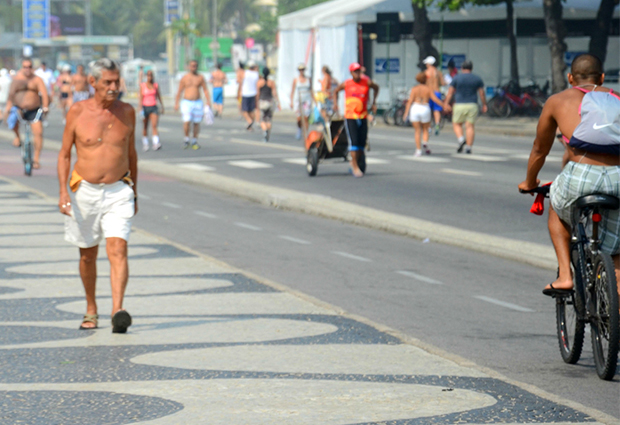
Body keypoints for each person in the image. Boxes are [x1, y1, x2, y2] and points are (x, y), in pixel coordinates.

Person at [518, 53, 620, 298]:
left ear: (570, 77)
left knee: (556, 204)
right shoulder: (617, 99)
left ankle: (565, 276)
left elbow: (540, 149)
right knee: (617, 251)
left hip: (581, 175)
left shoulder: (558, 100)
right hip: (618, 176)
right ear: (602, 77)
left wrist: (530, 182)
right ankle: (615, 312)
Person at [57, 58, 138, 333]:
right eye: (108, 82)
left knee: (118, 248)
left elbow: (131, 154)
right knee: (88, 255)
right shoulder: (78, 112)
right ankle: (91, 309)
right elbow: (65, 154)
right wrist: (62, 192)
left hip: (119, 190)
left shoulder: (127, 112)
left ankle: (118, 310)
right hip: (85, 191)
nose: (114, 87)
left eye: (117, 81)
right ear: (93, 83)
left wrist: (134, 191)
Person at [333, 62, 379, 178]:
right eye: (355, 71)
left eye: (359, 71)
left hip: (363, 116)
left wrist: (374, 102)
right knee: (353, 142)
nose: (357, 74)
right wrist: (335, 104)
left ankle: (356, 161)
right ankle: (354, 166)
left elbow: (376, 88)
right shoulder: (347, 84)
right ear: (351, 73)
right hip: (350, 117)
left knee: (361, 144)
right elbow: (336, 91)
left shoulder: (366, 82)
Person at [3, 58, 49, 168]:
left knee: (38, 132)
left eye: (29, 66)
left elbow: (44, 94)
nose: (27, 69)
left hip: (34, 109)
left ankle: (36, 159)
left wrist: (45, 107)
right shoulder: (17, 80)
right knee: (12, 121)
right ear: (22, 67)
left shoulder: (37, 80)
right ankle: (17, 136)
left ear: (32, 67)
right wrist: (8, 108)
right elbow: (10, 96)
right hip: (19, 108)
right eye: (25, 67)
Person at [443, 60, 487, 154]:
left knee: (456, 124)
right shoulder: (477, 78)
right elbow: (482, 94)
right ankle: (468, 147)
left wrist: (446, 103)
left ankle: (461, 139)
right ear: (471, 68)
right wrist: (484, 104)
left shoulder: (457, 78)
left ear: (462, 68)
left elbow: (450, 92)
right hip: (472, 104)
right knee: (470, 126)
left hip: (459, 104)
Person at [403, 72, 449, 157]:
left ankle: (418, 150)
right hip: (425, 107)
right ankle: (425, 142)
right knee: (425, 128)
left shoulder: (414, 89)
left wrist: (406, 113)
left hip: (415, 108)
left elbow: (409, 102)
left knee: (417, 131)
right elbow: (435, 99)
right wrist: (444, 106)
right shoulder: (428, 89)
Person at [175, 60, 212, 149]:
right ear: (189, 67)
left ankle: (194, 141)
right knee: (187, 121)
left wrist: (208, 101)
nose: (193, 67)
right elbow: (180, 91)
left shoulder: (200, 77)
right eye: (192, 66)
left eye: (195, 65)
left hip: (197, 102)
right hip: (187, 102)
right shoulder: (185, 78)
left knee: (196, 122)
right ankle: (186, 139)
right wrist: (176, 103)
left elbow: (205, 90)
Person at [139, 69, 165, 151]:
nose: (150, 77)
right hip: (145, 107)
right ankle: (145, 143)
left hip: (153, 106)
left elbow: (158, 96)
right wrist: (140, 109)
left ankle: (156, 143)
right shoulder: (143, 85)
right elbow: (140, 97)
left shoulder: (155, 85)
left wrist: (162, 105)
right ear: (146, 76)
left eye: (151, 75)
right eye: (148, 75)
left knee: (154, 125)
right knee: (145, 126)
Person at [423, 56, 446, 135]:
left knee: (428, 110)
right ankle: (437, 124)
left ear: (429, 63)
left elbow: (424, 83)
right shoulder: (438, 72)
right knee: (436, 110)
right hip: (437, 92)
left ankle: (428, 127)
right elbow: (443, 83)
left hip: (428, 92)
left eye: (427, 63)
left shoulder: (426, 72)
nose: (426, 64)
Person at [290, 63, 313, 140]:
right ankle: (299, 130)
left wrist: (315, 101)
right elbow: (292, 91)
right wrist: (291, 101)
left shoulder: (308, 79)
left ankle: (306, 133)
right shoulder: (296, 80)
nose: (301, 71)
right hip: (299, 100)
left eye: (303, 69)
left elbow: (311, 90)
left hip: (307, 100)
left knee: (306, 117)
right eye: (300, 70)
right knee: (299, 118)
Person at [256, 67, 279, 143]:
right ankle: (267, 132)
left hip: (262, 102)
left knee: (262, 119)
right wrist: (278, 102)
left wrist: (256, 103)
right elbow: (274, 93)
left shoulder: (259, 82)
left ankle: (265, 131)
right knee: (269, 119)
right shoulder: (271, 82)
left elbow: (258, 94)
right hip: (269, 101)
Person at [238, 60, 259, 130]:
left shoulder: (245, 73)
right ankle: (251, 123)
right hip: (253, 93)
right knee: (251, 110)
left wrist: (239, 92)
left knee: (244, 110)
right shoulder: (256, 74)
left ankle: (249, 121)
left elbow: (241, 83)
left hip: (245, 93)